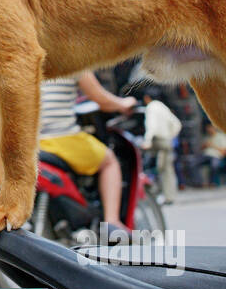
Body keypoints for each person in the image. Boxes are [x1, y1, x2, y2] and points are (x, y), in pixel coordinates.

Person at [37, 72, 135, 232]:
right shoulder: (73, 59)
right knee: (109, 161)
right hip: (60, 138)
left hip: (26, 143)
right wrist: (123, 103)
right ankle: (112, 222)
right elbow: (102, 100)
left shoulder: (21, 57)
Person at [141, 90, 182, 202]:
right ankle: (169, 196)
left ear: (147, 98)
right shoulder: (162, 106)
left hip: (158, 141)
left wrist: (147, 141)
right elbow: (177, 124)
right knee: (167, 169)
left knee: (160, 168)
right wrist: (171, 136)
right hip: (167, 141)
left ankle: (164, 195)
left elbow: (152, 126)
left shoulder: (151, 107)